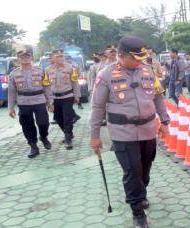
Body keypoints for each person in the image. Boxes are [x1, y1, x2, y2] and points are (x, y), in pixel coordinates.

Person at [90, 36, 169, 228]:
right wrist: (94, 136)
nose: (139, 61)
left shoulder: (147, 70)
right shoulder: (106, 75)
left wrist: (164, 120)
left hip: (148, 130)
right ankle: (138, 213)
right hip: (122, 133)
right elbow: (97, 107)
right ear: (121, 55)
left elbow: (158, 97)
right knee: (132, 171)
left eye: (141, 57)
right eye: (135, 58)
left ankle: (140, 193)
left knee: (145, 170)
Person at [8, 50, 54, 158]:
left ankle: (43, 137)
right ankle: (33, 145)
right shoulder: (13, 74)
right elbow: (11, 91)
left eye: (27, 56)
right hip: (23, 102)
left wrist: (50, 102)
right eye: (22, 57)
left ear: (31, 58)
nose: (25, 58)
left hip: (39, 100)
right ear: (18, 59)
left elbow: (47, 87)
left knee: (43, 123)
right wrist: (11, 107)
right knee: (27, 125)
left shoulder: (41, 71)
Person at [44, 49, 81, 150]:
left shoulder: (70, 68)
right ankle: (67, 133)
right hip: (54, 98)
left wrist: (77, 95)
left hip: (67, 97)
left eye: (62, 56)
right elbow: (46, 86)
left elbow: (75, 82)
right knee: (58, 118)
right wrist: (48, 101)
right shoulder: (47, 70)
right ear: (53, 58)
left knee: (67, 118)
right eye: (58, 56)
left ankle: (68, 139)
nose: (60, 58)